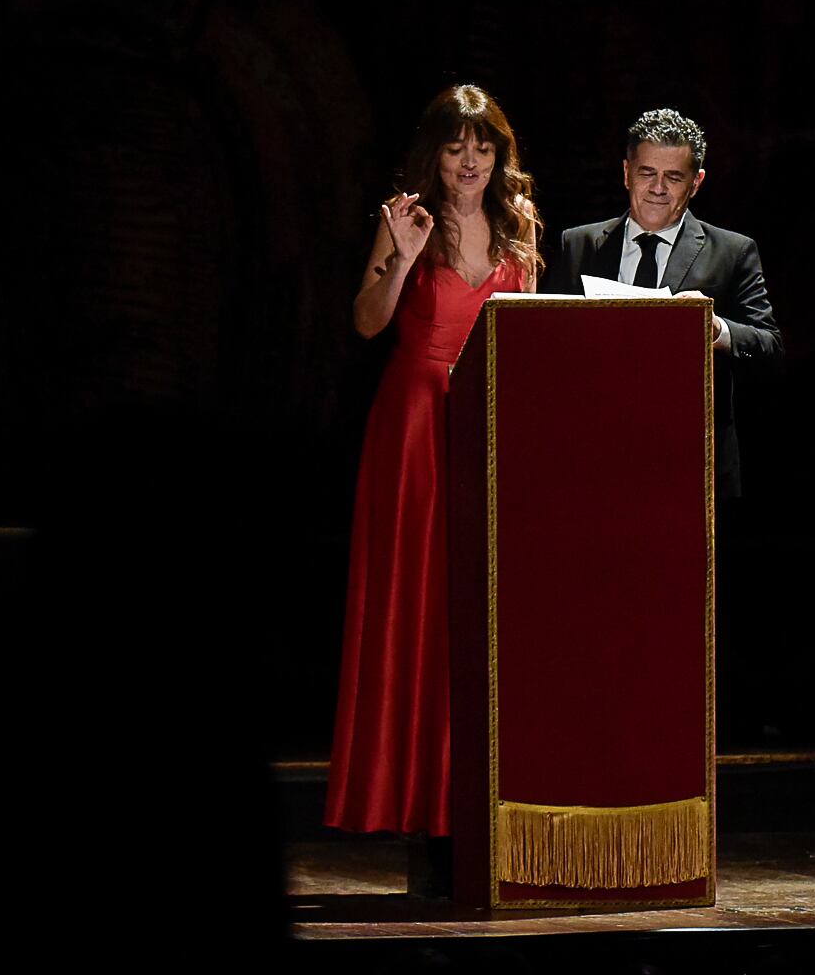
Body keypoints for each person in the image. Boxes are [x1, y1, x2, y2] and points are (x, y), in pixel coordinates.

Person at [326, 86, 542, 843]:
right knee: (412, 600)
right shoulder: (406, 219)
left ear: (499, 155)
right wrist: (403, 260)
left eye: (483, 147)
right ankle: (404, 795)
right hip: (416, 426)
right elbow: (365, 321)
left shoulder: (518, 234)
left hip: (486, 427)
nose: (470, 162)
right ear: (436, 154)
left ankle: (470, 794)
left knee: (475, 611)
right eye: (456, 148)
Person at [541, 108, 781, 497]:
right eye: (647, 173)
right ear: (626, 172)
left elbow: (770, 348)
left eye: (674, 177)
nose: (658, 188)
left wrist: (715, 328)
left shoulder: (732, 251)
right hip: (593, 452)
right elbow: (544, 345)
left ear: (696, 182)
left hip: (689, 459)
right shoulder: (578, 245)